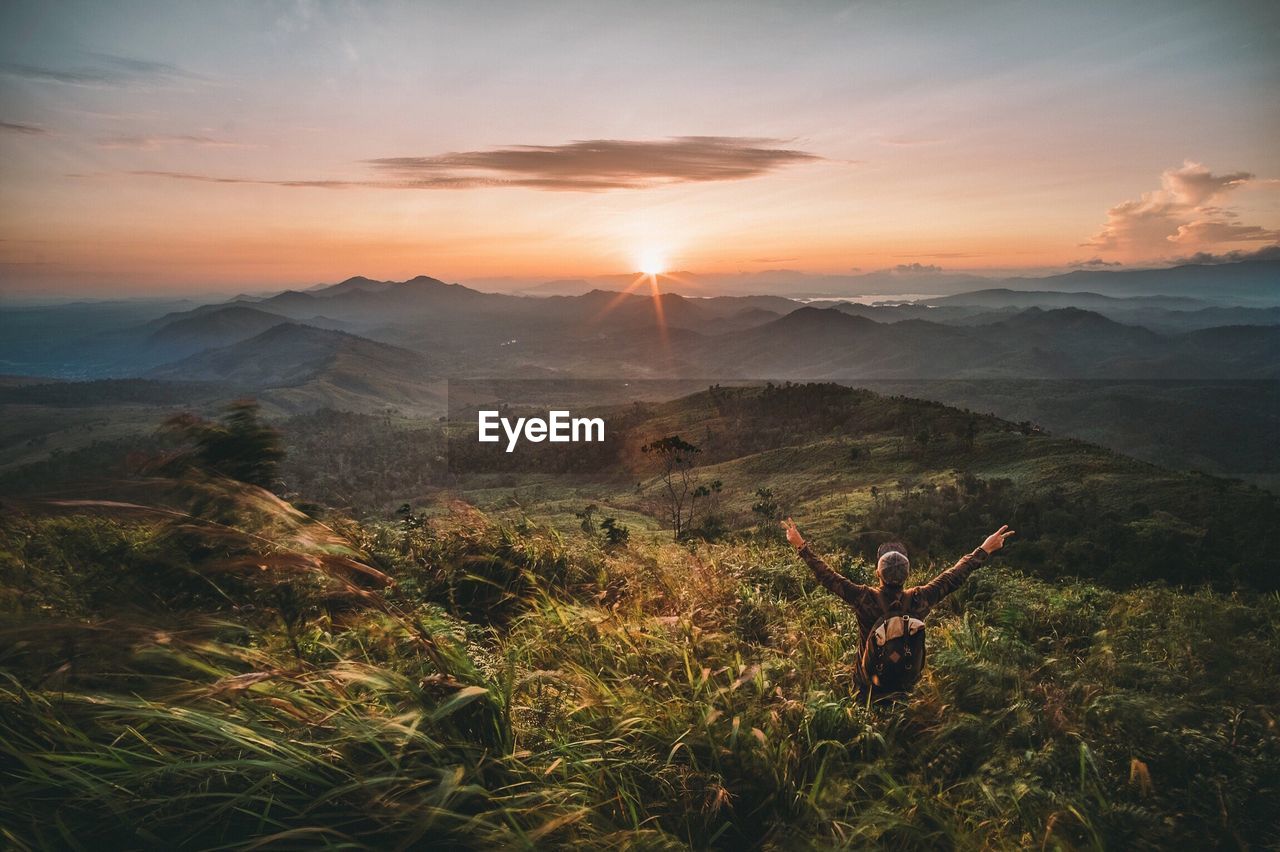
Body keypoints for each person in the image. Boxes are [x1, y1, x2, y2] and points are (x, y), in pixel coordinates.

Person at [781, 518, 1015, 699]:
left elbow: (827, 576)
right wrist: (984, 549)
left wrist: (801, 546)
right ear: (908, 575)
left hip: (867, 685)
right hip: (904, 683)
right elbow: (955, 576)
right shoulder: (920, 599)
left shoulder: (864, 599)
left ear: (877, 574)